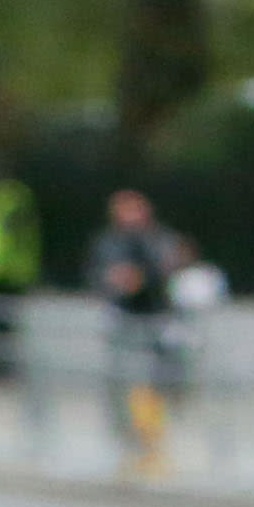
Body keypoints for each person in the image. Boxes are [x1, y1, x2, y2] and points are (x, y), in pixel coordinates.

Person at [89, 185, 193, 477]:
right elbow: (100, 276)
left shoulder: (159, 239)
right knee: (125, 389)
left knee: (153, 387)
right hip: (125, 322)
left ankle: (151, 447)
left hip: (155, 322)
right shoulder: (108, 242)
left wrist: (143, 276)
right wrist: (114, 280)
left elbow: (169, 267)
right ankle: (131, 448)